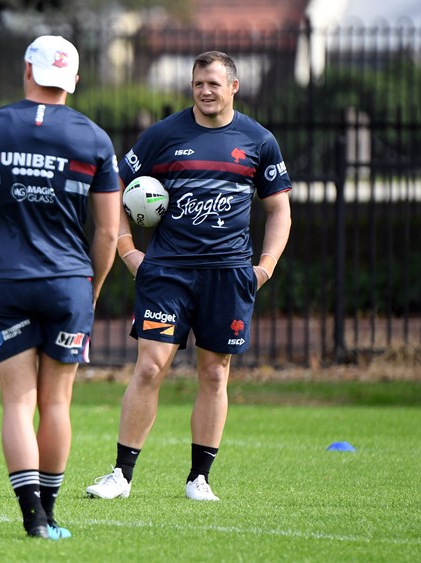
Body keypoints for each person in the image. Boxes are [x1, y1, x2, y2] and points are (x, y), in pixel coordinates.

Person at [85, 50, 292, 502]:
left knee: (215, 374)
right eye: (199, 83)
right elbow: (113, 188)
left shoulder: (258, 141)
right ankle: (121, 475)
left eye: (214, 83)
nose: (205, 91)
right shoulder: (162, 135)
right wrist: (128, 251)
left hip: (228, 276)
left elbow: (278, 208)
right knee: (150, 367)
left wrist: (266, 266)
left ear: (233, 86)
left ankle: (199, 478)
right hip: (167, 274)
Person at [0, 35, 120, 539]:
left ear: (28, 70)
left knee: (17, 403)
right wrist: (90, 289)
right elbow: (110, 232)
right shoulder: (94, 138)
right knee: (56, 403)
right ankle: (50, 512)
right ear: (73, 79)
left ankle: (32, 517)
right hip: (69, 283)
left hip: (6, 282)